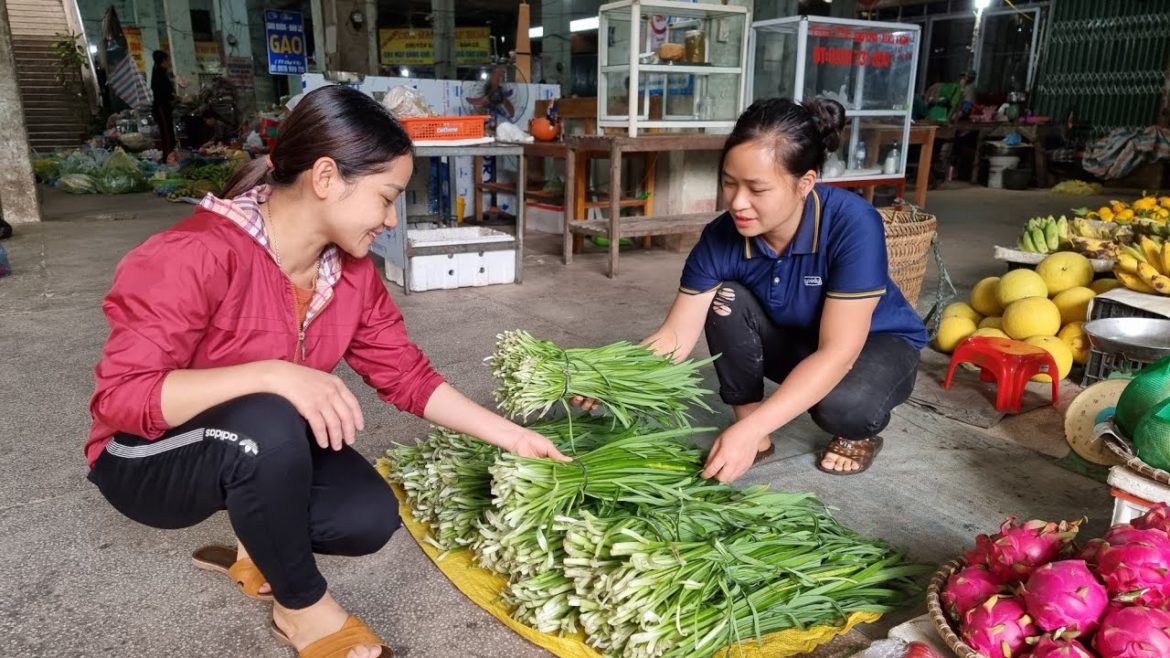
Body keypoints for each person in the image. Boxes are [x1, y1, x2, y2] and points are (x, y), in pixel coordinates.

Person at [86, 85, 569, 658]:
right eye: (386, 197)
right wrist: (274, 373)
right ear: (325, 178)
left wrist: (513, 437)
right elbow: (122, 397)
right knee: (266, 417)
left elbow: (406, 375)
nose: (391, 219)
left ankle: (255, 537)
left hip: (251, 442)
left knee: (365, 516)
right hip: (144, 457)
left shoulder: (351, 274)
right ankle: (304, 612)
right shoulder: (196, 253)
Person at [580, 98, 927, 483]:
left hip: (873, 343)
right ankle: (753, 430)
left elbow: (838, 353)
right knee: (725, 298)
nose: (737, 202)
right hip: (796, 337)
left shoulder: (851, 224)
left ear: (805, 183)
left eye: (757, 189)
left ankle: (854, 434)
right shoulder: (721, 236)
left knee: (844, 405)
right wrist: (615, 376)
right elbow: (675, 336)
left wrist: (739, 437)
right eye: (729, 183)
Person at [150, 50, 177, 162]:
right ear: (163, 61)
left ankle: (170, 156)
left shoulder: (159, 71)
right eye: (168, 60)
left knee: (169, 133)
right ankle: (168, 158)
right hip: (161, 108)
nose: (169, 62)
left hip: (164, 107)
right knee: (167, 134)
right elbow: (164, 92)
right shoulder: (159, 73)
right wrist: (175, 98)